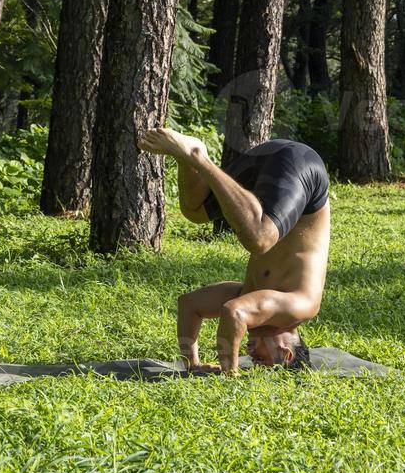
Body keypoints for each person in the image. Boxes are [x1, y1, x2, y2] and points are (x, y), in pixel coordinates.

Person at [138, 127, 330, 375]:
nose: (250, 355)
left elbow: (189, 305)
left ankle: (188, 157)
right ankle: (198, 155)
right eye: (261, 360)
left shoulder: (250, 293)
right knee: (260, 238)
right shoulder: (300, 307)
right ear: (285, 352)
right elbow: (234, 313)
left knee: (194, 210)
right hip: (302, 165)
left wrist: (192, 364)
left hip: (268, 161)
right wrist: (231, 374)